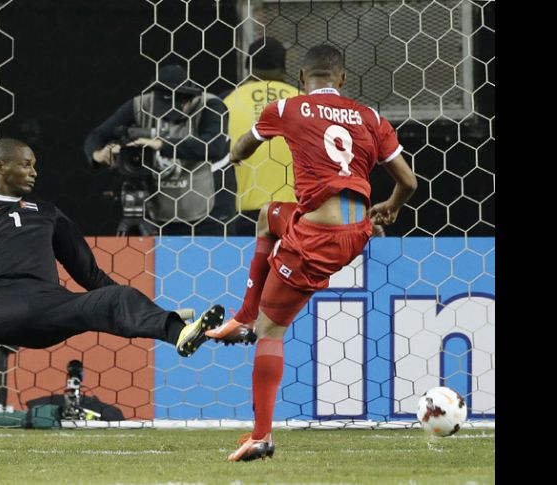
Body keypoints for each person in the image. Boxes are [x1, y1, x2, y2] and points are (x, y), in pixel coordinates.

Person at [0, 138, 227, 453]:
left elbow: (89, 274)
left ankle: (178, 333)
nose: (34, 172)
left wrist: (154, 311)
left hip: (51, 305)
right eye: (26, 164)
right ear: (0, 166)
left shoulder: (47, 212)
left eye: (34, 164)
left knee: (118, 295)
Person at [205, 45, 417, 461]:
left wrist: (233, 153)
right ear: (341, 79)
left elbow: (246, 146)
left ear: (302, 78)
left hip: (317, 237)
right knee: (270, 216)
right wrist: (391, 207)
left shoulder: (288, 108)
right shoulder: (370, 117)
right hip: (355, 231)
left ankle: (262, 435)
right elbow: (408, 182)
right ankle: (242, 317)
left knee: (272, 332)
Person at [83, 64, 229, 236]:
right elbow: (96, 136)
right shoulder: (141, 105)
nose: (168, 117)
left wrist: (160, 145)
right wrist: (99, 155)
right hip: (158, 214)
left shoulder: (211, 106)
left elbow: (214, 147)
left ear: (189, 99)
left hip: (206, 211)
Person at [221, 37, 301, 235]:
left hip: (242, 214)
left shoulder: (225, 102)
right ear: (284, 66)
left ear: (248, 64)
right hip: (294, 214)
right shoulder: (306, 103)